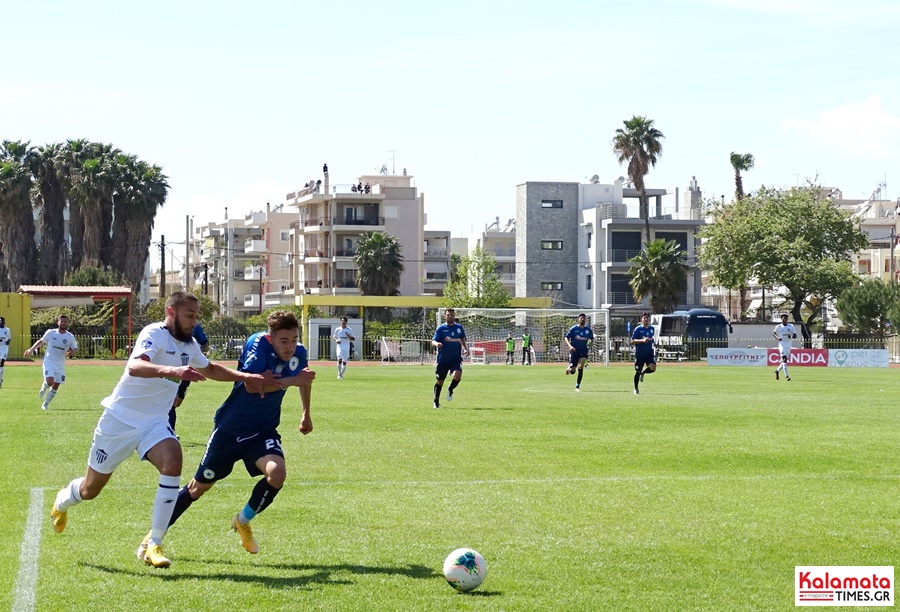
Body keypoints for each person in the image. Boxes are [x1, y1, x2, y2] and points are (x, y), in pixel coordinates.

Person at [48, 292, 277, 569]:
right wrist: (172, 370)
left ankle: (154, 543)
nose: (194, 321)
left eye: (196, 316)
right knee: (90, 489)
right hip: (119, 421)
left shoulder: (190, 345)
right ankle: (62, 501)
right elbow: (135, 366)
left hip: (154, 423)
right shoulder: (154, 333)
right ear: (171, 312)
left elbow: (211, 368)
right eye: (189, 315)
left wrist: (246, 377)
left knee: (173, 460)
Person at [164, 310, 315, 555]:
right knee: (197, 489)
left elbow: (304, 379)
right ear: (271, 339)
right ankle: (154, 536)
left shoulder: (299, 353)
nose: (290, 347)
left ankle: (242, 521)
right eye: (284, 341)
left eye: (295, 339)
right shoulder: (257, 345)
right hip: (230, 430)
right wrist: (291, 380)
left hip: (263, 430)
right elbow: (252, 386)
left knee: (277, 474)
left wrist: (306, 412)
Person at [25, 314, 78, 410]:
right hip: (49, 362)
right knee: (50, 381)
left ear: (67, 323)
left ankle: (45, 404)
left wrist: (71, 352)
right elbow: (41, 341)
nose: (63, 323)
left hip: (60, 364)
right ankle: (44, 387)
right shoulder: (51, 333)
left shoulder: (70, 337)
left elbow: (75, 348)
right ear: (58, 322)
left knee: (56, 384)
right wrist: (31, 349)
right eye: (61, 321)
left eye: (65, 321)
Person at [168, 322, 210, 430]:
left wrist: (195, 352)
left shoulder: (196, 328)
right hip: (170, 370)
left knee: (177, 402)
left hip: (187, 371)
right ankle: (169, 432)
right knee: (171, 402)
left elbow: (205, 345)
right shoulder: (163, 331)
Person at [432, 308, 469, 408]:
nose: (450, 316)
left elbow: (462, 338)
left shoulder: (459, 328)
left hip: (455, 358)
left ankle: (450, 388)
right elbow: (433, 341)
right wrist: (437, 344)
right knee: (440, 380)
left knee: (458, 375)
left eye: (451, 315)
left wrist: (465, 349)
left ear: (454, 315)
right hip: (443, 359)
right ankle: (436, 401)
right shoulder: (441, 329)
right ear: (445, 316)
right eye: (448, 315)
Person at [564, 313, 593, 392]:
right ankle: (570, 367)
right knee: (573, 371)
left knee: (581, 366)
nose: (582, 319)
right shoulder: (573, 329)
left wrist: (589, 348)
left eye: (584, 318)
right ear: (578, 319)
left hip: (583, 351)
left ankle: (577, 386)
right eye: (581, 318)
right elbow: (566, 338)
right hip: (574, 351)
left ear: (585, 320)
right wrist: (570, 346)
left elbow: (592, 339)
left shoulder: (588, 330)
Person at [632, 312, 657, 395]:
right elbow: (632, 341)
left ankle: (644, 372)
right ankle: (636, 388)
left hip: (649, 353)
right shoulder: (638, 329)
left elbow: (652, 338)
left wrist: (651, 340)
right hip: (640, 354)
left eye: (647, 318)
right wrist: (642, 340)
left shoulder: (652, 329)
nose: (646, 319)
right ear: (641, 319)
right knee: (637, 371)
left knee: (653, 368)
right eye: (644, 318)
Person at [773, 313, 797, 381]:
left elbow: (795, 336)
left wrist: (791, 336)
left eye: (785, 319)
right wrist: (778, 338)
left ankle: (777, 371)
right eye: (783, 319)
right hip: (782, 345)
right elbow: (774, 333)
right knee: (784, 359)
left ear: (787, 319)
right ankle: (787, 376)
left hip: (788, 345)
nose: (784, 320)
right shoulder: (779, 326)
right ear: (781, 319)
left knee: (785, 361)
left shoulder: (791, 326)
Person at [0, 316, 10, 388]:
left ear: (4, 322)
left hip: (4, 348)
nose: (1, 322)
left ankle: (0, 380)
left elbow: (9, 338)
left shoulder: (7, 330)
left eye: (2, 321)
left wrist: (8, 342)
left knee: (2, 362)